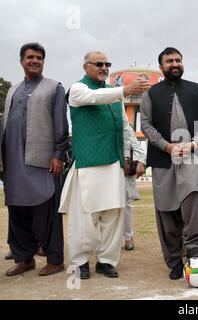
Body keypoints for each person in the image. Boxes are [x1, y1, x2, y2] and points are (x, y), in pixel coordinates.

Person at [59, 50, 151, 279]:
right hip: (88, 164)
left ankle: (106, 261)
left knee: (113, 214)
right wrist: (124, 91)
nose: (104, 67)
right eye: (98, 64)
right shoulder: (78, 89)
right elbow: (94, 98)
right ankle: (80, 262)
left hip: (114, 164)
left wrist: (139, 156)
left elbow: (126, 129)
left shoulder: (114, 96)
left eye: (107, 64)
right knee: (85, 216)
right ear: (86, 67)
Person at [140, 47, 198, 280]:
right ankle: (173, 261)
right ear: (161, 66)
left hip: (193, 156)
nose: (175, 64)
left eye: (178, 60)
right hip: (163, 158)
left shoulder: (195, 89)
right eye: (169, 61)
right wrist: (167, 146)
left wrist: (193, 144)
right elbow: (146, 125)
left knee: (194, 200)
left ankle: (194, 253)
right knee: (167, 209)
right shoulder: (150, 94)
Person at [0, 42, 69, 277]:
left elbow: (61, 123)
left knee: (45, 212)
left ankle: (55, 259)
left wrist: (58, 154)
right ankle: (24, 259)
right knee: (17, 211)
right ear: (21, 61)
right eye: (30, 57)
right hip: (12, 163)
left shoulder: (54, 88)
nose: (35, 61)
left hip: (41, 162)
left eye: (39, 57)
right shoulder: (12, 90)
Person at [123, 123, 146, 251]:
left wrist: (139, 161)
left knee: (124, 204)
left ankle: (128, 237)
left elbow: (135, 146)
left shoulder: (125, 125)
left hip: (123, 166)